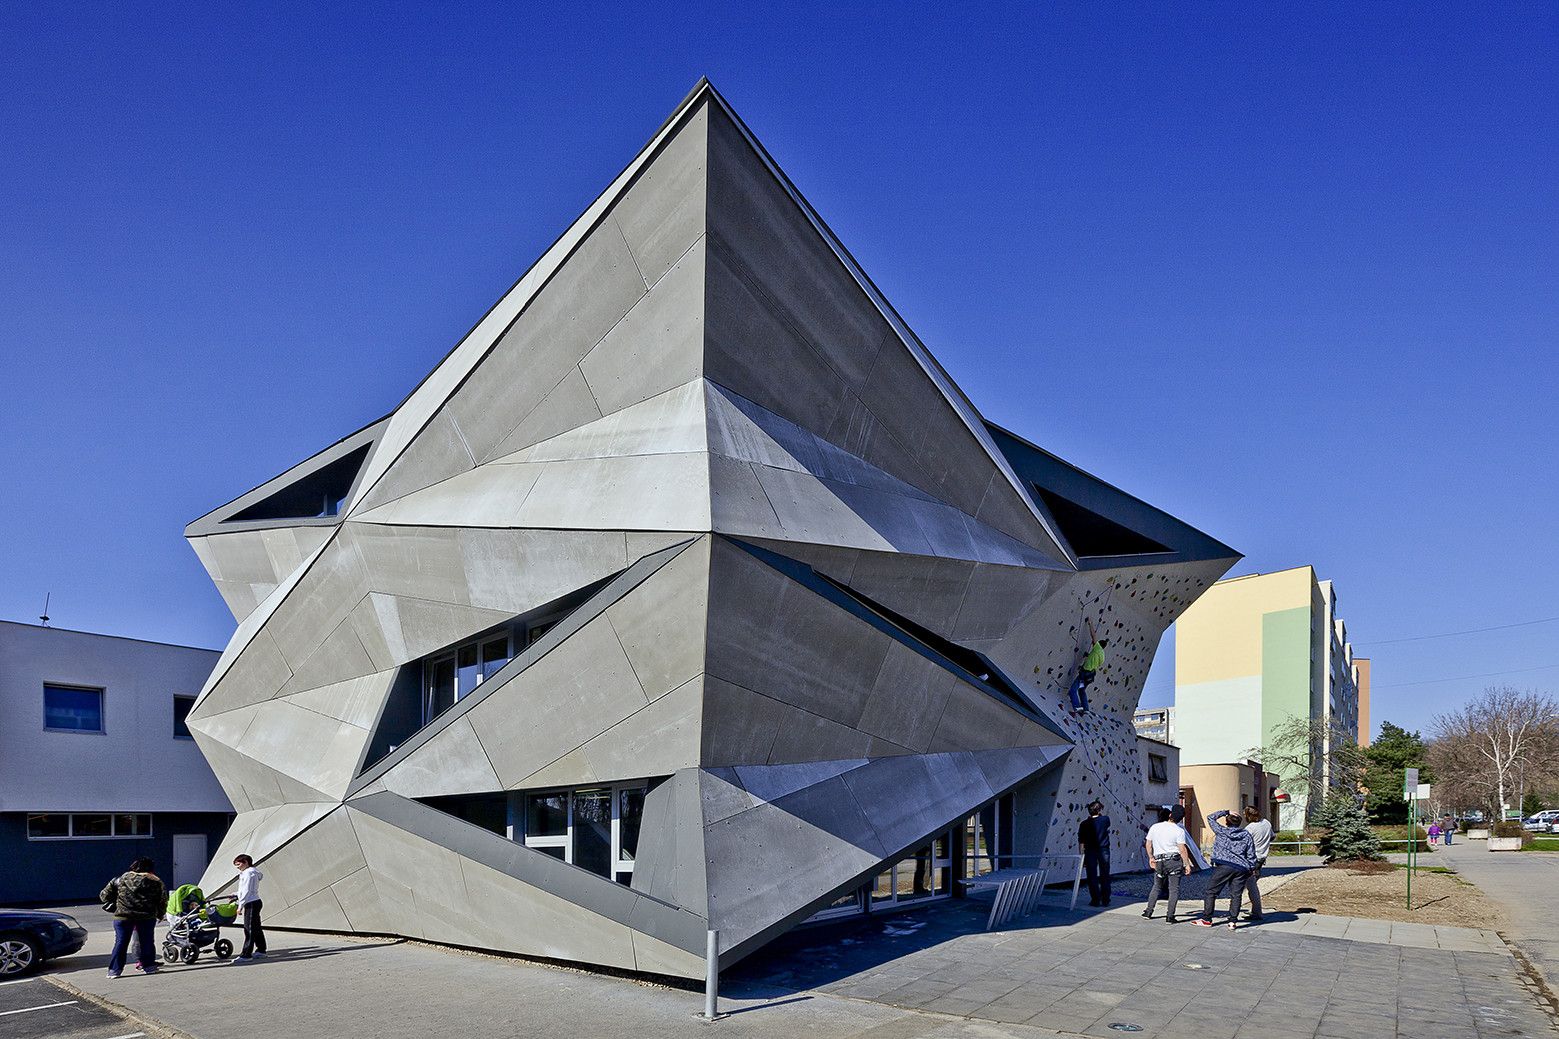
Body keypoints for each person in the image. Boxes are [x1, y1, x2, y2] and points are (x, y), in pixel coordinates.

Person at [100, 858, 166, 979]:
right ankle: (149, 967)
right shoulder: (156, 882)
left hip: (123, 916)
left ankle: (114, 971)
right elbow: (162, 901)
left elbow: (104, 896)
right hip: (146, 917)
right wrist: (160, 914)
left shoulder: (120, 880)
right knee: (147, 942)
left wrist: (118, 900)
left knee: (120, 943)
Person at [1196, 809, 1257, 930]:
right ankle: (1233, 921)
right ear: (1239, 823)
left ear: (1226, 822)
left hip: (1224, 865)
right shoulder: (1246, 835)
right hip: (1241, 867)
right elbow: (1251, 853)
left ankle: (1207, 919)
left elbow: (1210, 817)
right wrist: (1251, 867)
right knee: (1236, 895)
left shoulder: (1221, 831)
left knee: (1211, 892)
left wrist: (1226, 812)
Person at [1142, 807, 1194, 922]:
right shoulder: (1179, 831)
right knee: (1173, 889)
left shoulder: (1155, 827)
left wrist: (1151, 858)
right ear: (1181, 819)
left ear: (1170, 814)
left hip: (1159, 861)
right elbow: (1182, 849)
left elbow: (1148, 844)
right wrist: (1186, 864)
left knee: (1157, 886)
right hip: (1174, 861)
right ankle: (1170, 916)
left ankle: (1148, 911)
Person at [1066, 620, 1108, 714]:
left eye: (1095, 643)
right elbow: (1094, 660)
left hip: (1084, 675)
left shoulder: (1097, 648)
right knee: (1081, 690)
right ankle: (1086, 709)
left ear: (1099, 644)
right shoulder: (1102, 655)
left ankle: (1078, 708)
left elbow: (1093, 636)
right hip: (1089, 677)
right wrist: (1088, 656)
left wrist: (1090, 624)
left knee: (1073, 690)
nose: (1093, 644)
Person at [231, 854, 267, 962]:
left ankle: (246, 955)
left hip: (251, 903)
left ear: (246, 862)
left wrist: (240, 906)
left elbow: (246, 891)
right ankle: (261, 950)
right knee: (256, 927)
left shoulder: (248, 873)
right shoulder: (252, 872)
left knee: (249, 929)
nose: (237, 867)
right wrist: (236, 894)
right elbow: (245, 890)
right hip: (254, 901)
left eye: (239, 864)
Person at [1241, 806, 1274, 921]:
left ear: (1248, 816)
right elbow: (1272, 836)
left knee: (1251, 887)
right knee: (1251, 885)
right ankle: (1255, 911)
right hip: (1261, 858)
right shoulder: (1266, 823)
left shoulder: (1250, 828)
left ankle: (1257, 912)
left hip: (1251, 859)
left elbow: (1243, 844)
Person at [1078, 800, 1112, 906]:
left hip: (1090, 851)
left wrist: (1082, 855)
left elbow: (1081, 842)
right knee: (1105, 874)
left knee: (1091, 875)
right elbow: (1106, 825)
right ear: (1099, 810)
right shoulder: (1105, 819)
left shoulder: (1084, 824)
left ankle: (1095, 899)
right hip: (1103, 849)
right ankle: (1105, 899)